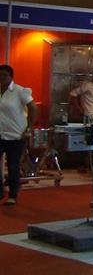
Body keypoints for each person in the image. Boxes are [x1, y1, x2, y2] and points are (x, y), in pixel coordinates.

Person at [0, 65, 38, 207]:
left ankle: (13, 195)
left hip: (16, 135)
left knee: (13, 166)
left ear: (11, 76)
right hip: (0, 133)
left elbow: (33, 108)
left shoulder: (20, 91)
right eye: (0, 75)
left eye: (5, 75)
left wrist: (29, 127)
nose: (2, 78)